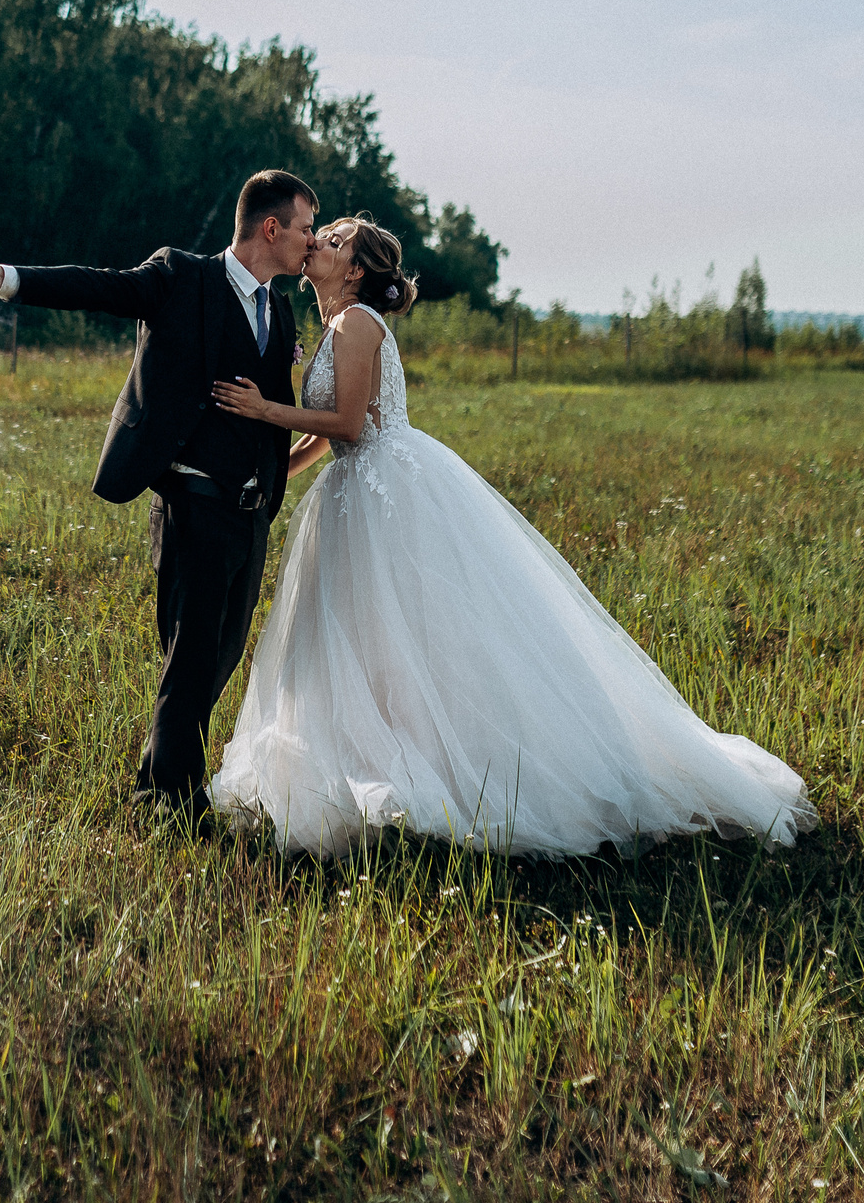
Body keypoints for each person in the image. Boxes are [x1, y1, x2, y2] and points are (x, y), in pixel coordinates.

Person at [206, 215, 816, 856]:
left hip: (384, 494)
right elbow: (324, 432)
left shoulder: (356, 322)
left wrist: (265, 410)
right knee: (369, 639)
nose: (315, 243)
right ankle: (374, 759)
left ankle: (440, 770)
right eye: (319, 234)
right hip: (352, 490)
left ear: (355, 270)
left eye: (332, 241)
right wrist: (274, 471)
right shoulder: (335, 324)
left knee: (409, 634)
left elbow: (352, 424)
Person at [0, 170, 315, 815]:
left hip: (250, 515)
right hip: (194, 504)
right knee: (191, 656)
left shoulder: (277, 309)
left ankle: (159, 781)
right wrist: (6, 277)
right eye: (307, 228)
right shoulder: (182, 276)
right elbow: (99, 286)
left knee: (219, 656)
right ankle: (171, 801)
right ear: (272, 227)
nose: (312, 240)